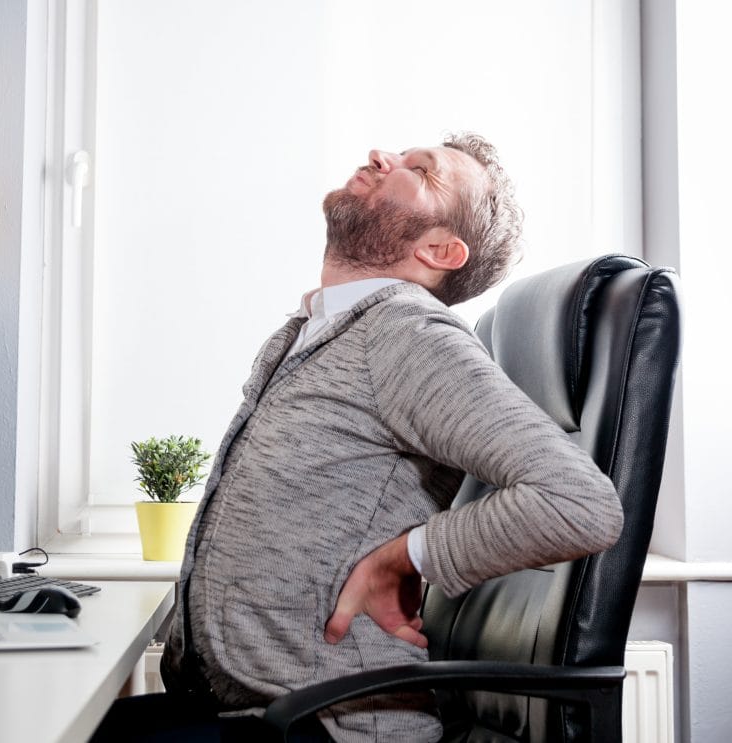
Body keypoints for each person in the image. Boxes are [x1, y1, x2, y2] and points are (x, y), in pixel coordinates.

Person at [90, 132, 623, 742]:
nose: (381, 155)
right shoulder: (312, 331)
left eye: (421, 171)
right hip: (245, 708)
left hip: (325, 725)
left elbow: (580, 504)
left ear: (440, 250)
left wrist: (403, 557)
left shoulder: (409, 335)